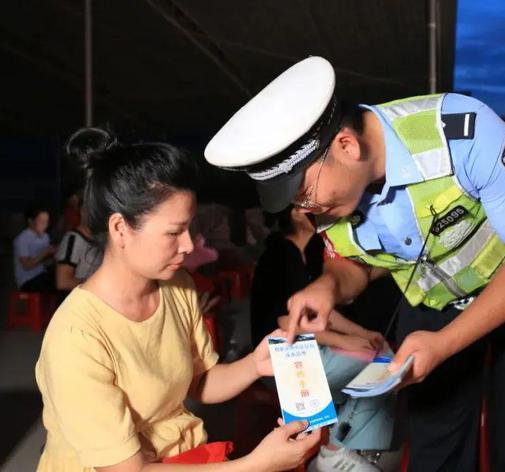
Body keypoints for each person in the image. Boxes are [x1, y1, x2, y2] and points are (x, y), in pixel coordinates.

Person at [205, 57, 505, 471]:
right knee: (434, 448)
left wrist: (445, 344)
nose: (305, 210)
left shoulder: (461, 136)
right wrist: (328, 287)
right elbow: (357, 264)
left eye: (304, 196)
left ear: (347, 146)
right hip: (432, 304)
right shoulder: (331, 196)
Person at [35, 128, 320, 472]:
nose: (187, 245)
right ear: (120, 229)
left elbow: (199, 382)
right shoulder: (76, 337)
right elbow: (129, 470)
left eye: (189, 229)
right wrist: (255, 465)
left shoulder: (177, 287)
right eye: (173, 232)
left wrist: (254, 364)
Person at [251, 206, 394, 471]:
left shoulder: (314, 253)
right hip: (275, 362)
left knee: (382, 356)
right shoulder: (278, 255)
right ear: (295, 214)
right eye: (310, 210)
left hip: (309, 353)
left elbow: (322, 312)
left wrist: (362, 334)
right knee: (379, 363)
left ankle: (346, 449)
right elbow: (286, 321)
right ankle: (337, 450)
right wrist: (345, 341)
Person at [55, 206, 102, 291]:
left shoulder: (102, 239)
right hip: (81, 298)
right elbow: (63, 282)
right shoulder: (73, 239)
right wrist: (98, 286)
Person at [13, 205, 56, 291]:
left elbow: (45, 262)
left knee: (62, 277)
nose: (45, 225)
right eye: (41, 221)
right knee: (58, 284)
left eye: (46, 221)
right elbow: (27, 265)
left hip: (42, 275)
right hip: (28, 280)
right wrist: (45, 252)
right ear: (30, 221)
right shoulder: (23, 239)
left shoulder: (45, 236)